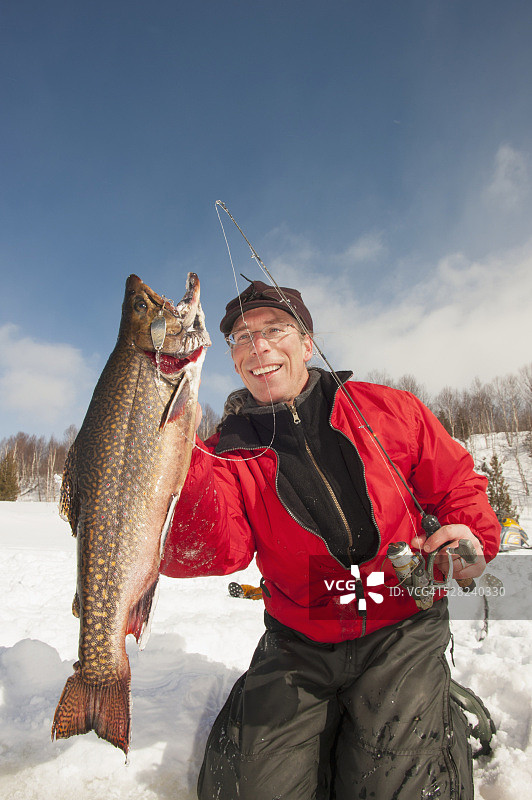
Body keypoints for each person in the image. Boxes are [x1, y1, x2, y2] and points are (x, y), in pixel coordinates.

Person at [160, 280, 500, 800]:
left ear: (308, 343)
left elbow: (456, 484)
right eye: (242, 339)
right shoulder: (223, 453)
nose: (259, 347)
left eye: (275, 330)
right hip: (300, 638)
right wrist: (183, 460)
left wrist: (470, 535)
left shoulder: (388, 408)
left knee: (397, 789)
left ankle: (433, 708)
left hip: (400, 623)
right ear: (232, 361)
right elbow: (212, 552)